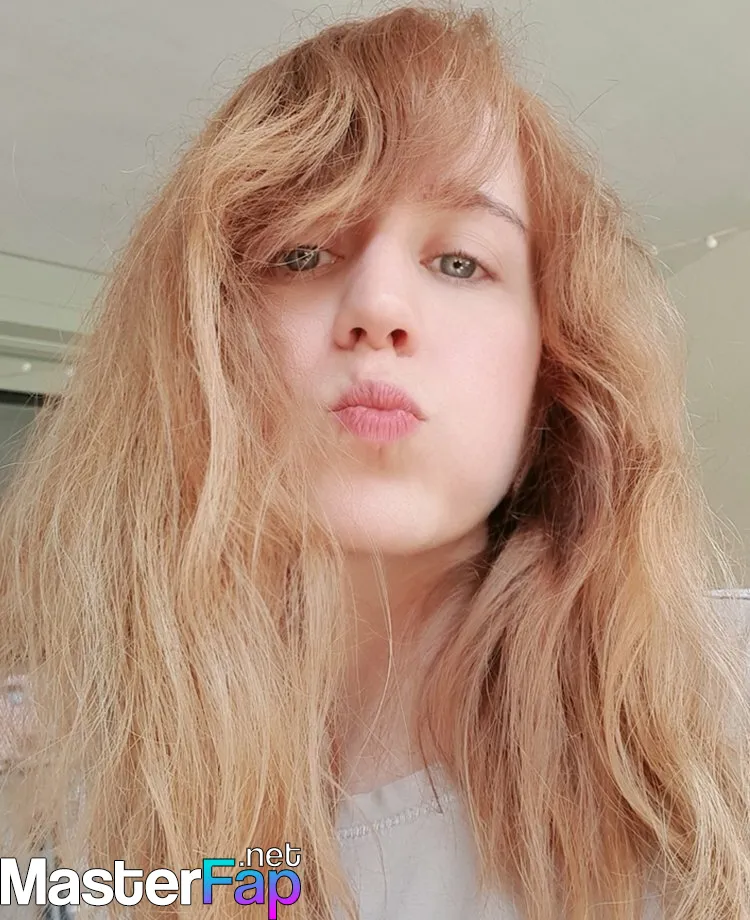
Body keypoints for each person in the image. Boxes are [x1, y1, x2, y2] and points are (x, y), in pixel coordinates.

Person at [1, 5, 749, 919]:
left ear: (550, 373)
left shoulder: (722, 709)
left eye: (461, 262)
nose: (379, 304)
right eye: (300, 252)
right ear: (201, 350)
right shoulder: (78, 808)